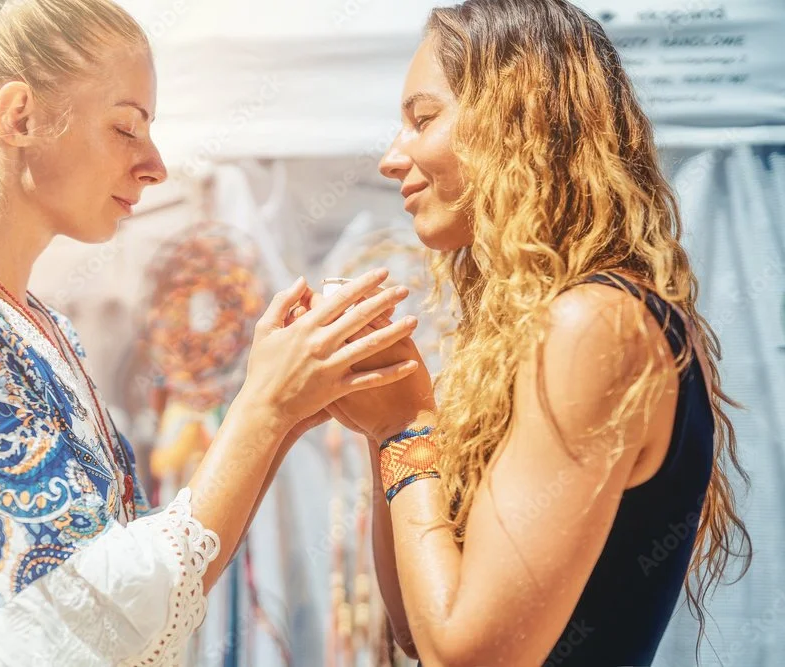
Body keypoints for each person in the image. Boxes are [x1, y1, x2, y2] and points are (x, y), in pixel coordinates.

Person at [0, 1, 423, 664]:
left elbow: (141, 586)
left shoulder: (36, 325)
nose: (155, 165)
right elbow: (73, 618)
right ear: (20, 116)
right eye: (126, 128)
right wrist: (263, 409)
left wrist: (284, 415)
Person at [322, 2, 753, 665]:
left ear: (515, 118)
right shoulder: (526, 331)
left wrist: (406, 429)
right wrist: (385, 426)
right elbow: (418, 622)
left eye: (423, 119)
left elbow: (469, 655)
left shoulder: (597, 325)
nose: (391, 157)